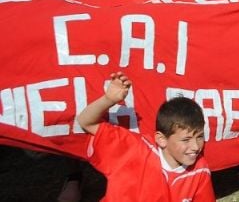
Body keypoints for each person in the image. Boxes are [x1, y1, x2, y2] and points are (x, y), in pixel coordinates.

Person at [76, 72, 214, 201]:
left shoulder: (200, 170)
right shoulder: (132, 149)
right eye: (186, 139)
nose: (196, 147)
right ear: (161, 139)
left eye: (200, 137)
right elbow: (86, 122)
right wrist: (108, 99)